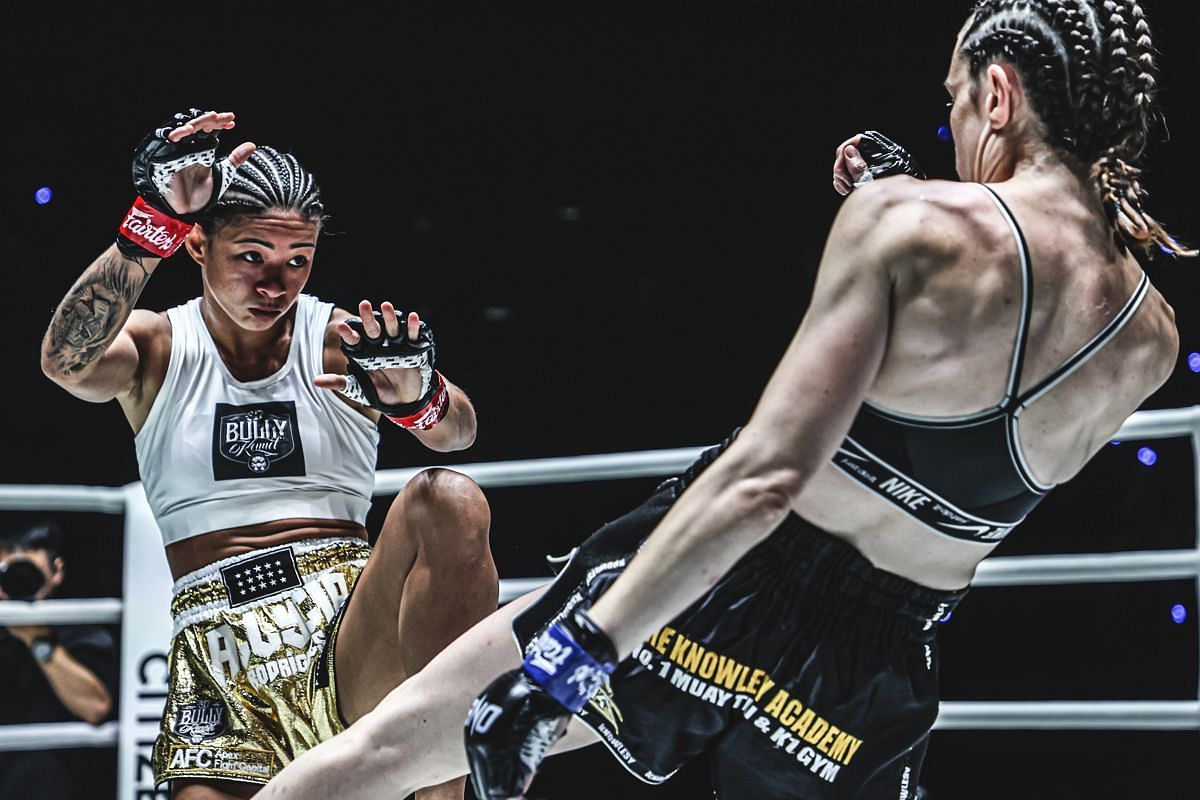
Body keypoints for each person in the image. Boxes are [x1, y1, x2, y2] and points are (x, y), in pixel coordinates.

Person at [256, 1, 1189, 798]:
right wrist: (906, 202)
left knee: (378, 755)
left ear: (999, 93)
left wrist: (568, 668)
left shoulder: (914, 223)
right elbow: (971, 380)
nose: (956, 120)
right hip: (872, 667)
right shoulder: (1150, 339)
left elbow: (763, 480)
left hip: (721, 575)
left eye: (955, 97)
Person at [39, 109, 499, 800]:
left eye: (296, 262)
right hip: (217, 663)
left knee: (450, 497)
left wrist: (418, 396)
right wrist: (150, 219)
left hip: (346, 640)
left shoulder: (339, 340)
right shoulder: (160, 347)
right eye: (251, 256)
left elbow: (456, 435)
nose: (274, 284)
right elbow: (65, 361)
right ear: (196, 244)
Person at [0, 520, 118, 800]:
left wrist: (37, 640)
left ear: (56, 572)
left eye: (27, 573)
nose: (16, 585)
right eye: (7, 575)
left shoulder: (82, 627)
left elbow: (95, 708)